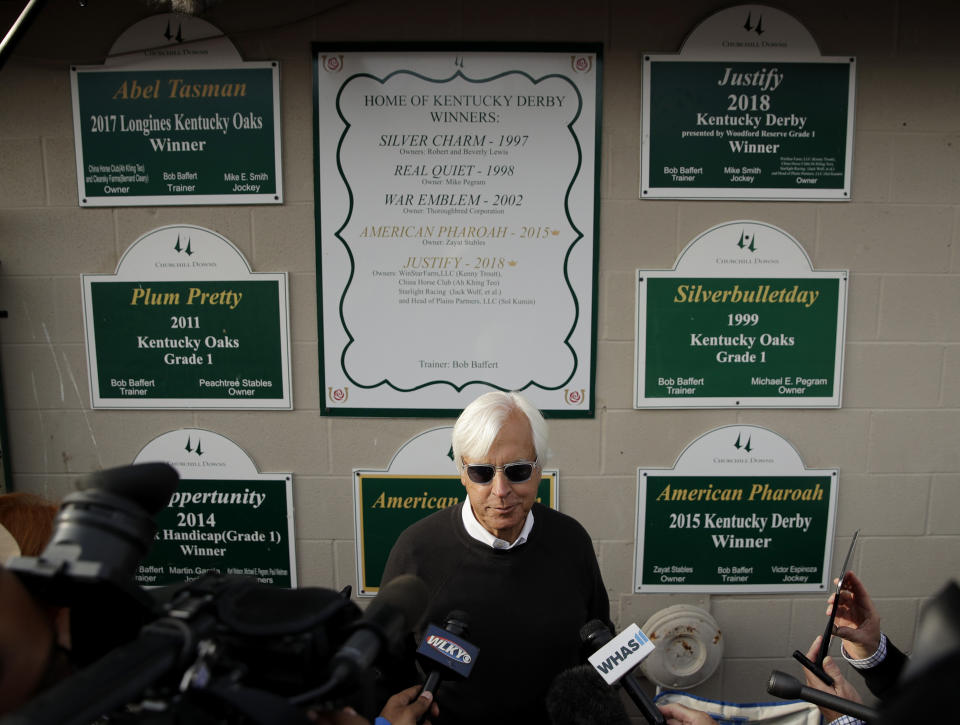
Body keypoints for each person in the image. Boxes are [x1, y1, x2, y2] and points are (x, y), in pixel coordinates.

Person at [380, 391, 611, 725]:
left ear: (539, 469)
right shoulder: (416, 550)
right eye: (481, 473)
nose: (500, 490)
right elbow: (388, 669)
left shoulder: (572, 541)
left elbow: (599, 644)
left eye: (517, 471)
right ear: (461, 473)